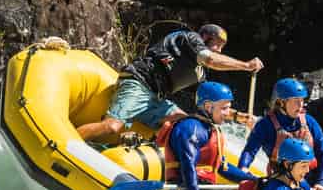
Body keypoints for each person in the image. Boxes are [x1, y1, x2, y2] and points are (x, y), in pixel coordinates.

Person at [77, 24, 263, 141]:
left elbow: (211, 107)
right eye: (217, 44)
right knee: (112, 126)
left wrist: (241, 117)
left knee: (186, 123)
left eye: (222, 47)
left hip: (156, 99)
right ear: (205, 38)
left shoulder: (199, 73)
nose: (220, 50)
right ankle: (68, 144)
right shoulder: (189, 39)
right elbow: (211, 59)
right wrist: (246, 65)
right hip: (139, 82)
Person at [155, 81, 256, 190]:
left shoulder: (210, 128)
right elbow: (188, 168)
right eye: (224, 108)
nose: (228, 113)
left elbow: (222, 167)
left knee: (253, 189)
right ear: (208, 106)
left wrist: (254, 180)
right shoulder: (191, 128)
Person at [237, 77, 323, 190]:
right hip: (281, 179)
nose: (301, 105)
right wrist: (243, 169)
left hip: (311, 178)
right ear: (281, 102)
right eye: (296, 101)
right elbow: (250, 151)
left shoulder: (309, 122)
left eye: (302, 101)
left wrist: (321, 182)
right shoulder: (265, 125)